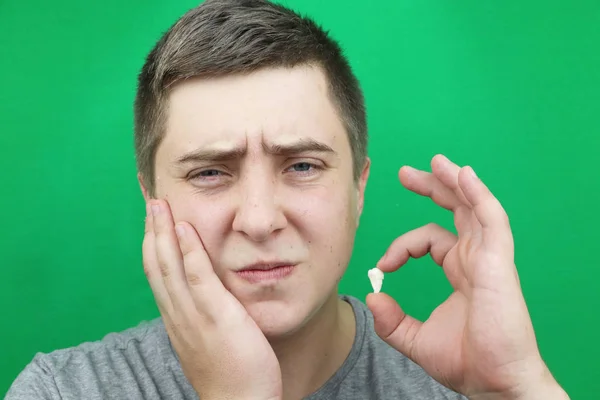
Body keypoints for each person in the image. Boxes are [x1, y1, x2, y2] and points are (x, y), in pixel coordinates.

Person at [6, 0, 570, 399]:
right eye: (209, 172)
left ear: (359, 188)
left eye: (302, 166)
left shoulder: (465, 391)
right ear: (151, 198)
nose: (258, 219)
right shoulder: (60, 391)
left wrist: (518, 387)